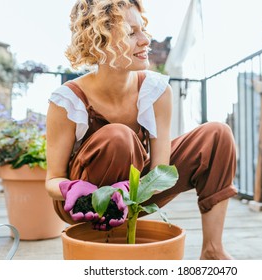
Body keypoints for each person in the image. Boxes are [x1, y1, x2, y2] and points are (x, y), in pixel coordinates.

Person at [45, 0, 237, 260]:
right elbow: (52, 181)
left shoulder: (156, 91)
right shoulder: (68, 100)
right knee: (119, 136)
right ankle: (105, 241)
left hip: (135, 194)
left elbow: (160, 172)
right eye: (131, 33)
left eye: (143, 30)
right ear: (99, 42)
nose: (145, 40)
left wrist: (131, 191)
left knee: (217, 134)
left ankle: (213, 251)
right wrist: (74, 189)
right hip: (84, 201)